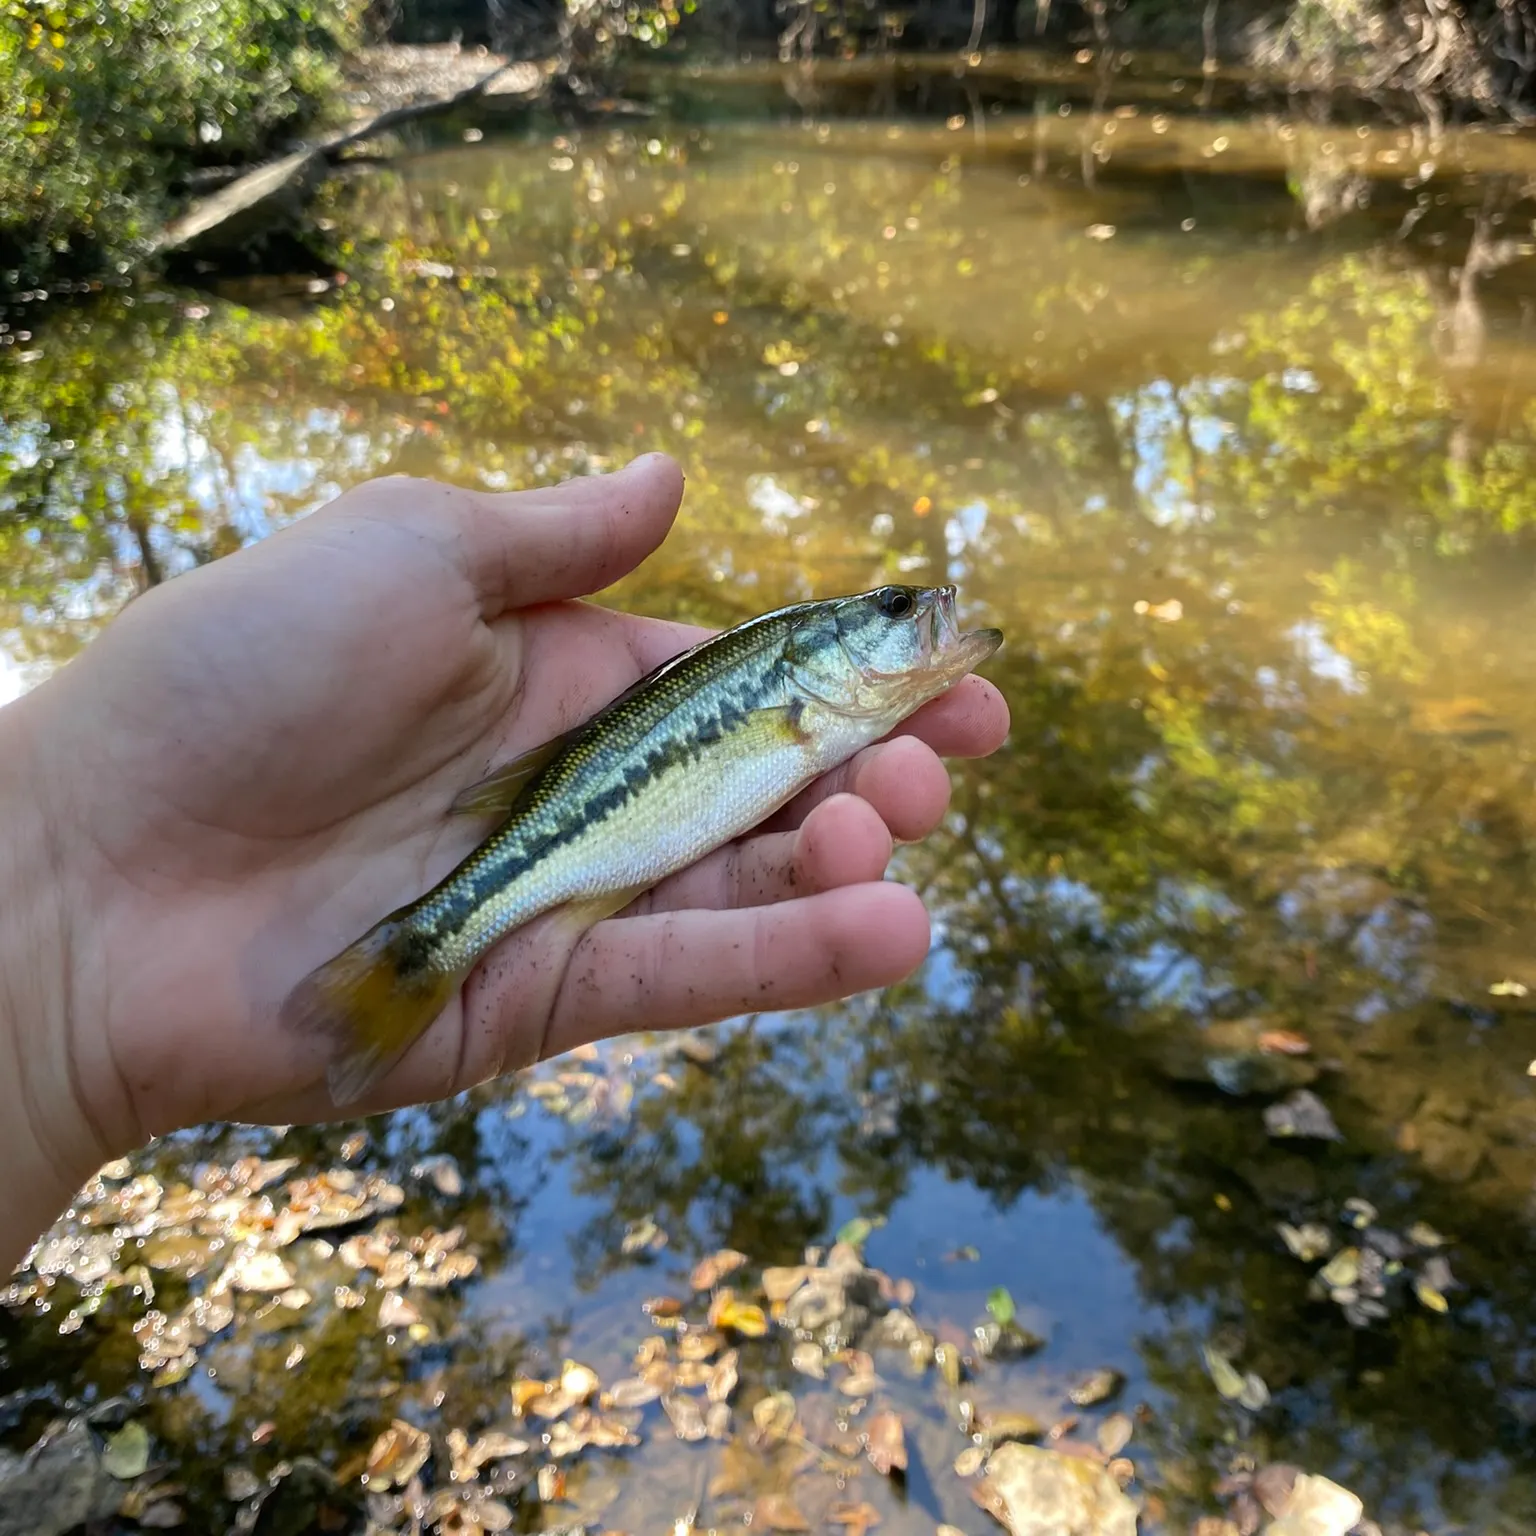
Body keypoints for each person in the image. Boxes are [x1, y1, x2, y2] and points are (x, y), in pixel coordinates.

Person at [0, 455, 1009, 1270]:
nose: (916, 615)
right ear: (809, 666)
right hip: (582, 838)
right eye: (888, 612)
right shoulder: (790, 695)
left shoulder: (819, 707)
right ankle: (417, 954)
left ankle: (410, 964)